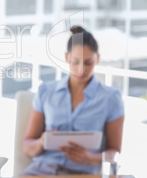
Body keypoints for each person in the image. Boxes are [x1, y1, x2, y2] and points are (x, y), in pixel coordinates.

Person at [21, 25, 124, 175]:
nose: (81, 69)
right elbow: (27, 147)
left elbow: (115, 153)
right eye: (75, 62)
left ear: (98, 59)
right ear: (66, 57)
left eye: (88, 62)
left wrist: (91, 158)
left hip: (82, 174)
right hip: (41, 171)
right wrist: (42, 142)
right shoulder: (46, 92)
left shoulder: (111, 98)